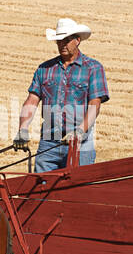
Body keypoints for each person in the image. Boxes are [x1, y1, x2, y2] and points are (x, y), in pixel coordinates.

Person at [14, 17, 110, 172]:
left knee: (78, 193)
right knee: (40, 191)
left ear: (77, 40)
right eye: (59, 40)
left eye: (66, 40)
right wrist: (23, 128)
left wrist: (80, 131)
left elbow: (95, 104)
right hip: (48, 142)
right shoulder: (44, 69)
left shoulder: (93, 68)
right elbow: (32, 100)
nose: (62, 44)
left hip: (81, 144)